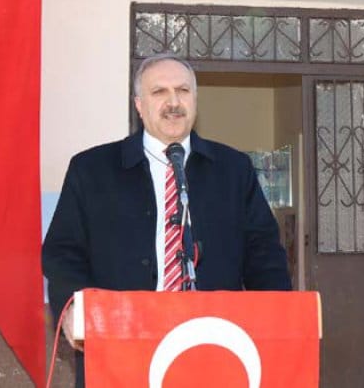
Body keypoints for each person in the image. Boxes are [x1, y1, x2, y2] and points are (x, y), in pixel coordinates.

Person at [41, 53, 291, 385]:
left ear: (195, 101)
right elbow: (63, 252)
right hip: (120, 344)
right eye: (159, 92)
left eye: (183, 91)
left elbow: (264, 254)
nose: (173, 102)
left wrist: (278, 321)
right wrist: (73, 306)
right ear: (139, 105)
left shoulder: (234, 169)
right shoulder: (92, 170)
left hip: (213, 344)